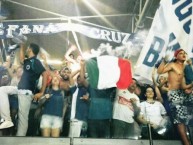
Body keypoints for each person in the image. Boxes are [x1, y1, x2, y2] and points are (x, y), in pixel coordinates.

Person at [0, 43, 47, 137]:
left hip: (26, 92)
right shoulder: (28, 61)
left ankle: (20, 140)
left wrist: (41, 92)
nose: (26, 50)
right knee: (2, 90)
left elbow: (45, 73)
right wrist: (21, 46)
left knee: (23, 118)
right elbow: (21, 59)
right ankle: (7, 119)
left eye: (27, 48)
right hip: (19, 89)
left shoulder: (36, 61)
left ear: (30, 49)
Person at [157, 49, 193, 145]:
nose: (183, 54)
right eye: (181, 53)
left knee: (188, 119)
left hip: (187, 94)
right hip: (175, 94)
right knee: (180, 121)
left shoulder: (187, 67)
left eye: (185, 53)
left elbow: (190, 80)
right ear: (176, 56)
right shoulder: (172, 65)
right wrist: (164, 60)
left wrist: (190, 89)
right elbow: (160, 71)